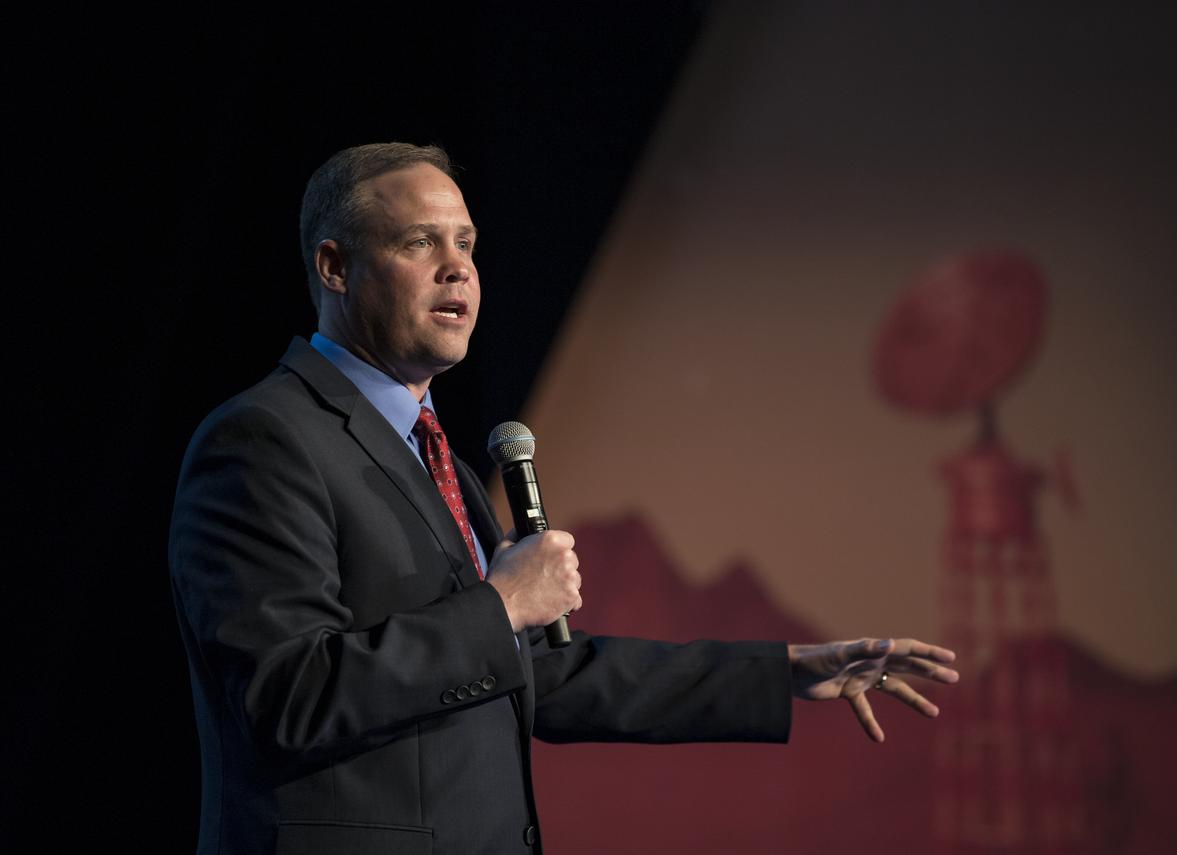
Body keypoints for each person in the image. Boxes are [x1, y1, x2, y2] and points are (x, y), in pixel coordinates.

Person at [169, 143, 959, 855]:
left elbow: (540, 675)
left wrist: (781, 672)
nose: (458, 269)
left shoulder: (432, 453)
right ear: (335, 267)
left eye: (466, 244)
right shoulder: (265, 440)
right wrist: (501, 605)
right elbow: (286, 698)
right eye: (419, 243)